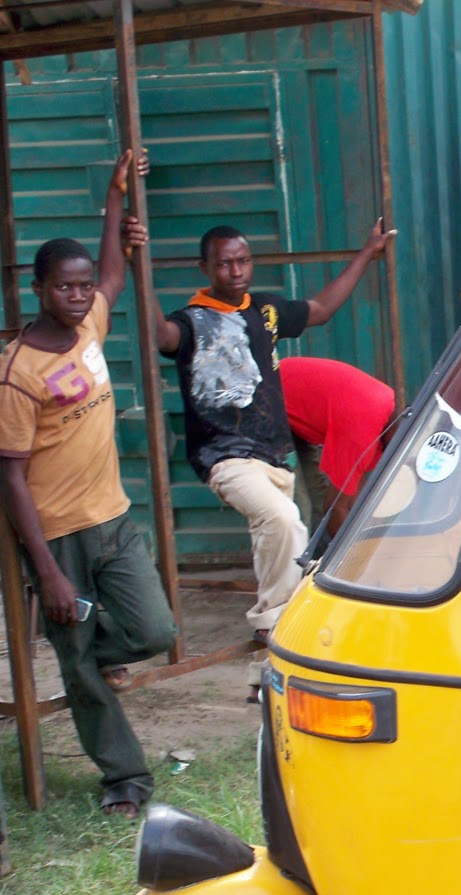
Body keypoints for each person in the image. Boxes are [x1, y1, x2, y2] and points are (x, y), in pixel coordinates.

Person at [0, 150, 177, 819]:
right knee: (77, 667)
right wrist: (46, 572)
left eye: (82, 288)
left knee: (154, 628)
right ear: (39, 290)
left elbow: (112, 273)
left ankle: (89, 652)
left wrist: (113, 200)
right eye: (65, 288)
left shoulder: (90, 325)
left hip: (113, 517)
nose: (80, 295)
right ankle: (124, 779)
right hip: (60, 534)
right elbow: (10, 476)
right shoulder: (17, 372)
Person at [153, 218, 396, 641]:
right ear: (205, 268)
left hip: (272, 455)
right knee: (284, 521)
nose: (236, 271)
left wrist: (365, 253)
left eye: (243, 261)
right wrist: (137, 266)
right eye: (225, 264)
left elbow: (320, 310)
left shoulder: (263, 310)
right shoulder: (191, 321)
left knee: (282, 543)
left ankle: (263, 669)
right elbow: (161, 335)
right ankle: (281, 629)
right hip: (224, 455)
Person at [278, 357, 395, 537]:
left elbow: (354, 495)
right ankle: (300, 564)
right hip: (269, 405)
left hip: (294, 405)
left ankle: (316, 561)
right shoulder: (362, 435)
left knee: (316, 497)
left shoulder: (387, 409)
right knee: (299, 509)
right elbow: (336, 508)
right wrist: (351, 562)